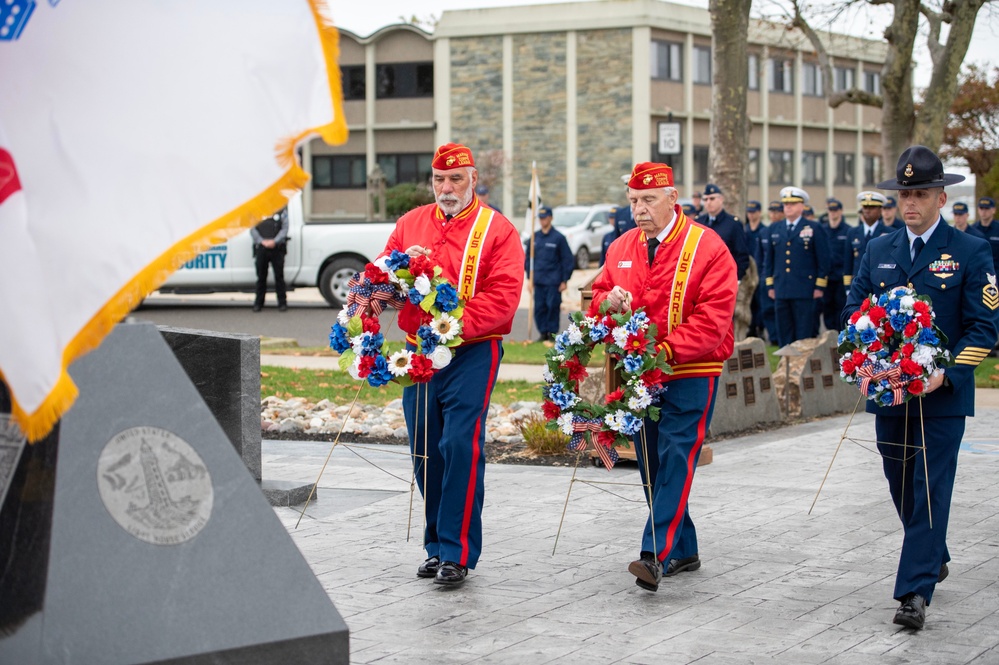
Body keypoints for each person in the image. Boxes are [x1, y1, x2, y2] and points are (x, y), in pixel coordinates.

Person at [842, 145, 998, 630]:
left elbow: (985, 328)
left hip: (942, 396)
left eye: (921, 193)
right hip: (889, 392)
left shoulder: (971, 250)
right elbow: (852, 312)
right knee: (900, 484)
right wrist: (868, 350)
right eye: (904, 193)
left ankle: (914, 591)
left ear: (941, 195)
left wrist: (945, 373)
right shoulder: (878, 249)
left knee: (929, 489)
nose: (910, 203)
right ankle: (934, 552)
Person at [380, 143, 525, 587]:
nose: (446, 188)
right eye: (439, 179)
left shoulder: (498, 230)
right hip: (418, 354)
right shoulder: (410, 223)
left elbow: (503, 300)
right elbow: (384, 275)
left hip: (472, 352)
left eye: (455, 179)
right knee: (426, 449)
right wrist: (363, 303)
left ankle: (458, 553)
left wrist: (450, 326)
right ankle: (437, 545)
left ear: (473, 180)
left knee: (460, 444)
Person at [589, 162, 737, 593]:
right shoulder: (621, 246)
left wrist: (666, 351)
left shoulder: (708, 247)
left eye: (649, 200)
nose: (640, 209)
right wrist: (607, 301)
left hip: (691, 369)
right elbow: (597, 294)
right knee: (652, 462)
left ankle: (654, 554)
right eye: (633, 200)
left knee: (676, 455)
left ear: (673, 199)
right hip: (640, 374)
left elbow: (714, 317)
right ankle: (684, 548)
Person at [762, 186, 830, 347]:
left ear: (802, 206)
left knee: (803, 334)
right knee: (784, 333)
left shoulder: (813, 228)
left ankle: (801, 368)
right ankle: (785, 368)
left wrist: (819, 286)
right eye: (786, 204)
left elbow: (824, 259)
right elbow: (769, 260)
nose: (788, 207)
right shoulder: (774, 228)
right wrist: (770, 284)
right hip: (781, 288)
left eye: (793, 203)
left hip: (804, 290)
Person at [526, 205, 574, 342]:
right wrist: (529, 279)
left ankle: (552, 334)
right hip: (539, 280)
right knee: (540, 308)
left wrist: (565, 279)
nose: (543, 221)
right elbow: (528, 259)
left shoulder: (558, 238)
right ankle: (542, 333)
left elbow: (567, 259)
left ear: (551, 218)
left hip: (554, 281)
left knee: (552, 307)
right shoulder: (534, 238)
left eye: (545, 218)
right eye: (540, 218)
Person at [697, 183, 750, 281]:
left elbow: (741, 255)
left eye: (712, 199)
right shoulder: (698, 222)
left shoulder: (733, 224)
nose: (708, 202)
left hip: (725, 278)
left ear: (721, 199)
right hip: (702, 279)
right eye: (705, 199)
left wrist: (736, 279)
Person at [843, 191, 892, 289]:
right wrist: (848, 287)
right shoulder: (852, 232)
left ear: (880, 210)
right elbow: (848, 262)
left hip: (880, 284)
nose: (867, 211)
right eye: (865, 207)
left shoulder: (890, 233)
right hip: (858, 284)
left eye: (872, 207)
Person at [251, 207, 289, 312]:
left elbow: (285, 228)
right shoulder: (257, 210)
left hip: (277, 248)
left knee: (279, 277)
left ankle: (282, 303)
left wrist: (274, 241)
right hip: (261, 248)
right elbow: (252, 227)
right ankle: (258, 303)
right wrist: (261, 241)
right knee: (261, 277)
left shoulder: (281, 210)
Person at [820, 199, 849, 333]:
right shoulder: (823, 229)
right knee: (827, 307)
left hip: (841, 277)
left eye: (835, 210)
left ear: (841, 211)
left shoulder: (847, 230)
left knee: (840, 306)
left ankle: (840, 333)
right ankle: (830, 334)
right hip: (827, 277)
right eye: (830, 211)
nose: (833, 213)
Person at [600, 176, 637, 266]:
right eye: (628, 191)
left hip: (639, 256)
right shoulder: (620, 213)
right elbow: (616, 238)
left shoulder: (645, 212)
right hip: (624, 258)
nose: (630, 195)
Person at [744, 200, 766, 339]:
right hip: (747, 272)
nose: (751, 215)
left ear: (759, 213)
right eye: (749, 212)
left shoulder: (763, 230)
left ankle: (760, 328)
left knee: (760, 302)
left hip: (760, 270)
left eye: (754, 212)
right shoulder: (744, 230)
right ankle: (750, 328)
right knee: (748, 301)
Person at [973, 197, 999, 273]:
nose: (983, 211)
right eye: (981, 208)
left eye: (987, 209)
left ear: (993, 210)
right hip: (977, 274)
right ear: (978, 210)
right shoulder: (971, 230)